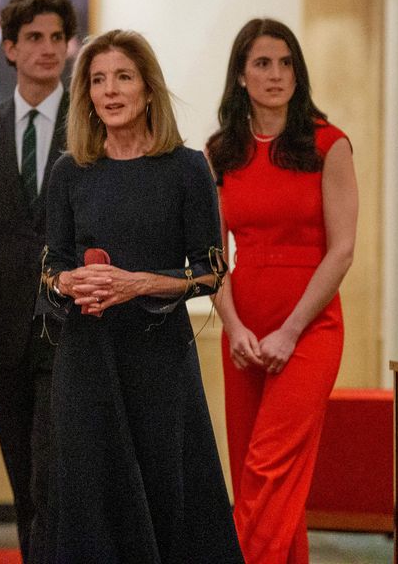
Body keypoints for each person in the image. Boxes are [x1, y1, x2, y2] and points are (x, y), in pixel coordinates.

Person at [40, 29, 243, 563]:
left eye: (123, 77)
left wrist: (139, 283)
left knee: (167, 489)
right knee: (90, 497)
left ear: (148, 89)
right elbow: (51, 270)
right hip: (87, 359)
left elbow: (209, 274)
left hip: (160, 358)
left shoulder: (187, 167)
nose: (110, 90)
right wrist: (68, 282)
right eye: (98, 80)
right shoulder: (69, 171)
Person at [206, 18, 358, 564]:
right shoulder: (219, 152)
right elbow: (211, 257)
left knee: (270, 466)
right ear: (241, 77)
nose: (276, 75)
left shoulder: (328, 144)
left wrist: (291, 331)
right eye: (262, 64)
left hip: (311, 327)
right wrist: (234, 325)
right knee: (254, 468)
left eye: (286, 62)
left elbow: (342, 250)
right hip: (243, 328)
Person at [0, 0, 75, 564]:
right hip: (1, 325)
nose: (47, 49)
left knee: (51, 476)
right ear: (10, 49)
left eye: (56, 38)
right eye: (34, 38)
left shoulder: (92, 125)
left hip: (72, 328)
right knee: (23, 479)